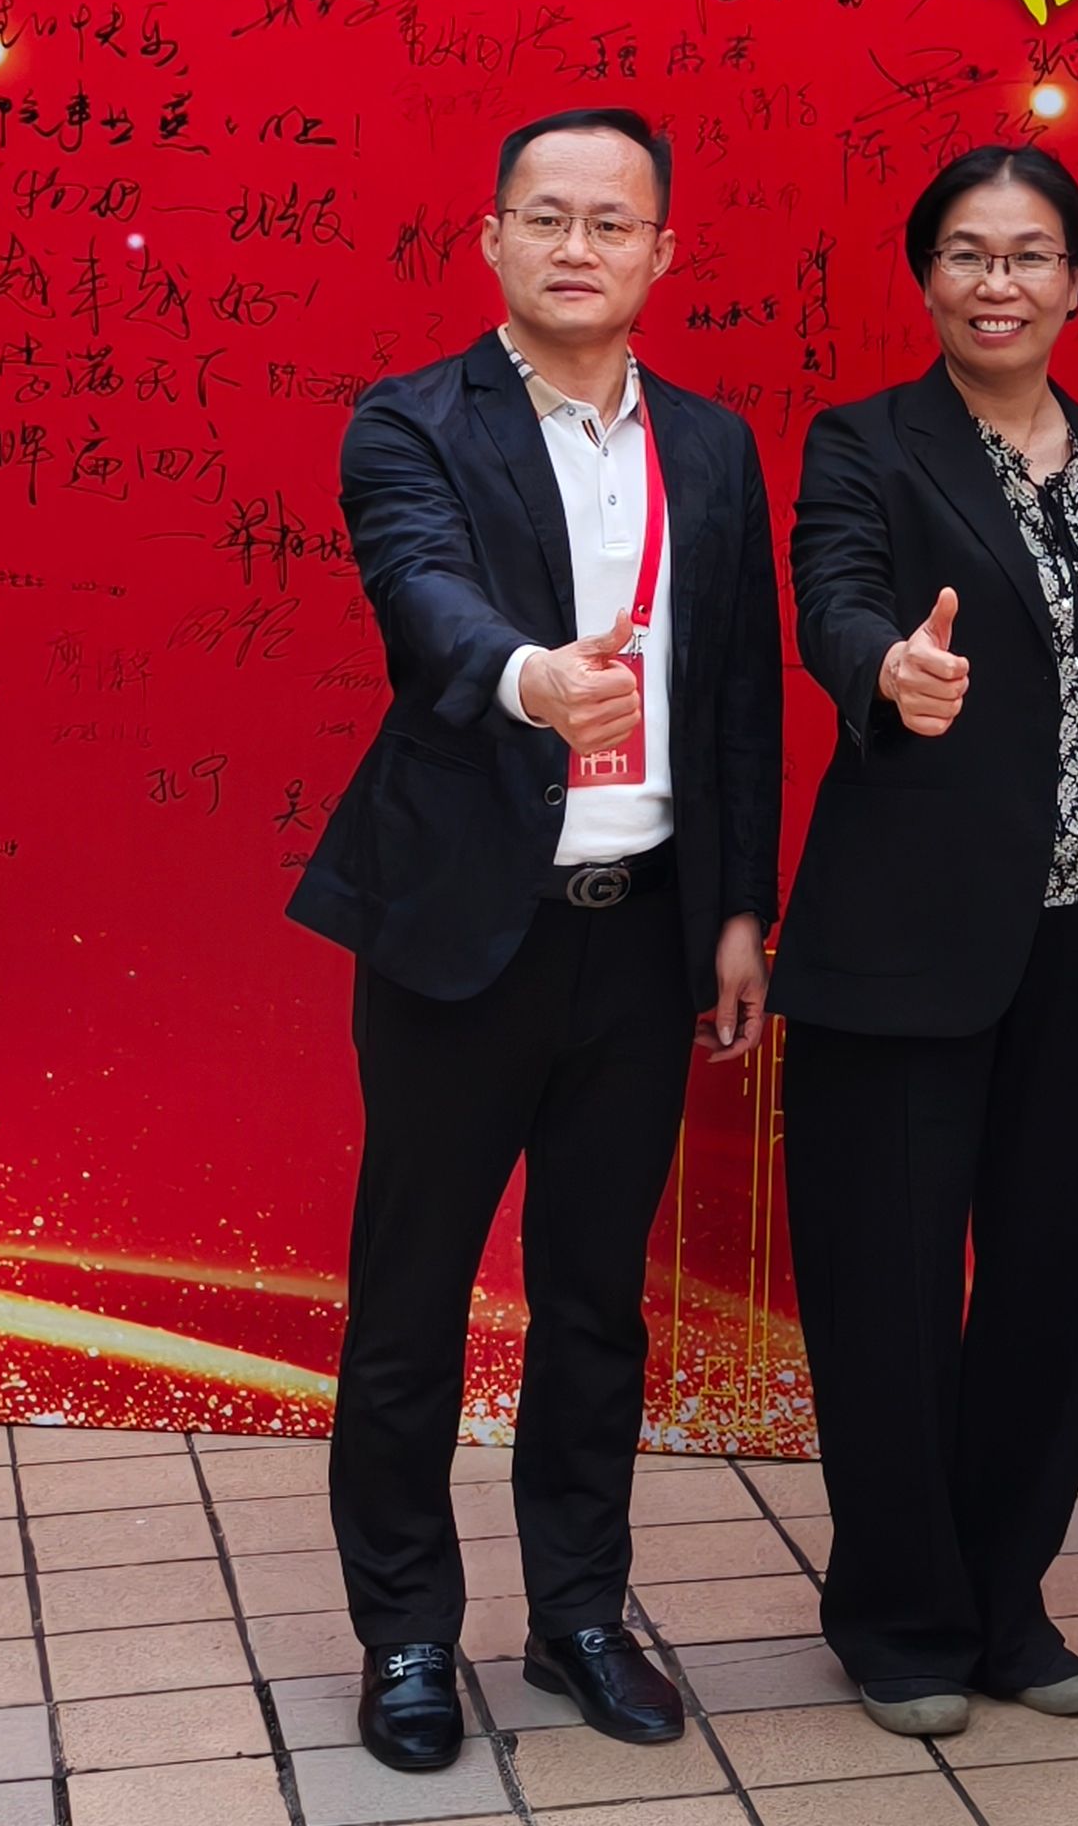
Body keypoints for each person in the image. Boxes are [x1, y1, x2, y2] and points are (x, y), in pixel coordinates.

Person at [289, 109, 780, 1775]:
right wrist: (531, 679)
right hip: (461, 938)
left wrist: (736, 911)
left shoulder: (711, 448)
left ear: (662, 253)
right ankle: (407, 1633)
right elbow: (420, 593)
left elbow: (735, 699)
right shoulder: (410, 423)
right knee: (412, 1301)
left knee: (594, 1304)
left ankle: (578, 1614)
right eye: (548, 217)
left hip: (638, 937)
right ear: (493, 237)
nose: (580, 247)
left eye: (612, 223)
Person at [778, 148, 1078, 1736]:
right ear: (926, 278)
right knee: (887, 1293)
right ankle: (899, 1615)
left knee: (1055, 1289)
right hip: (904, 948)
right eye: (966, 253)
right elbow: (833, 596)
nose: (998, 283)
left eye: (1031, 255)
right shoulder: (864, 444)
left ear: (1077, 282)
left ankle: (1005, 1600)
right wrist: (886, 671)